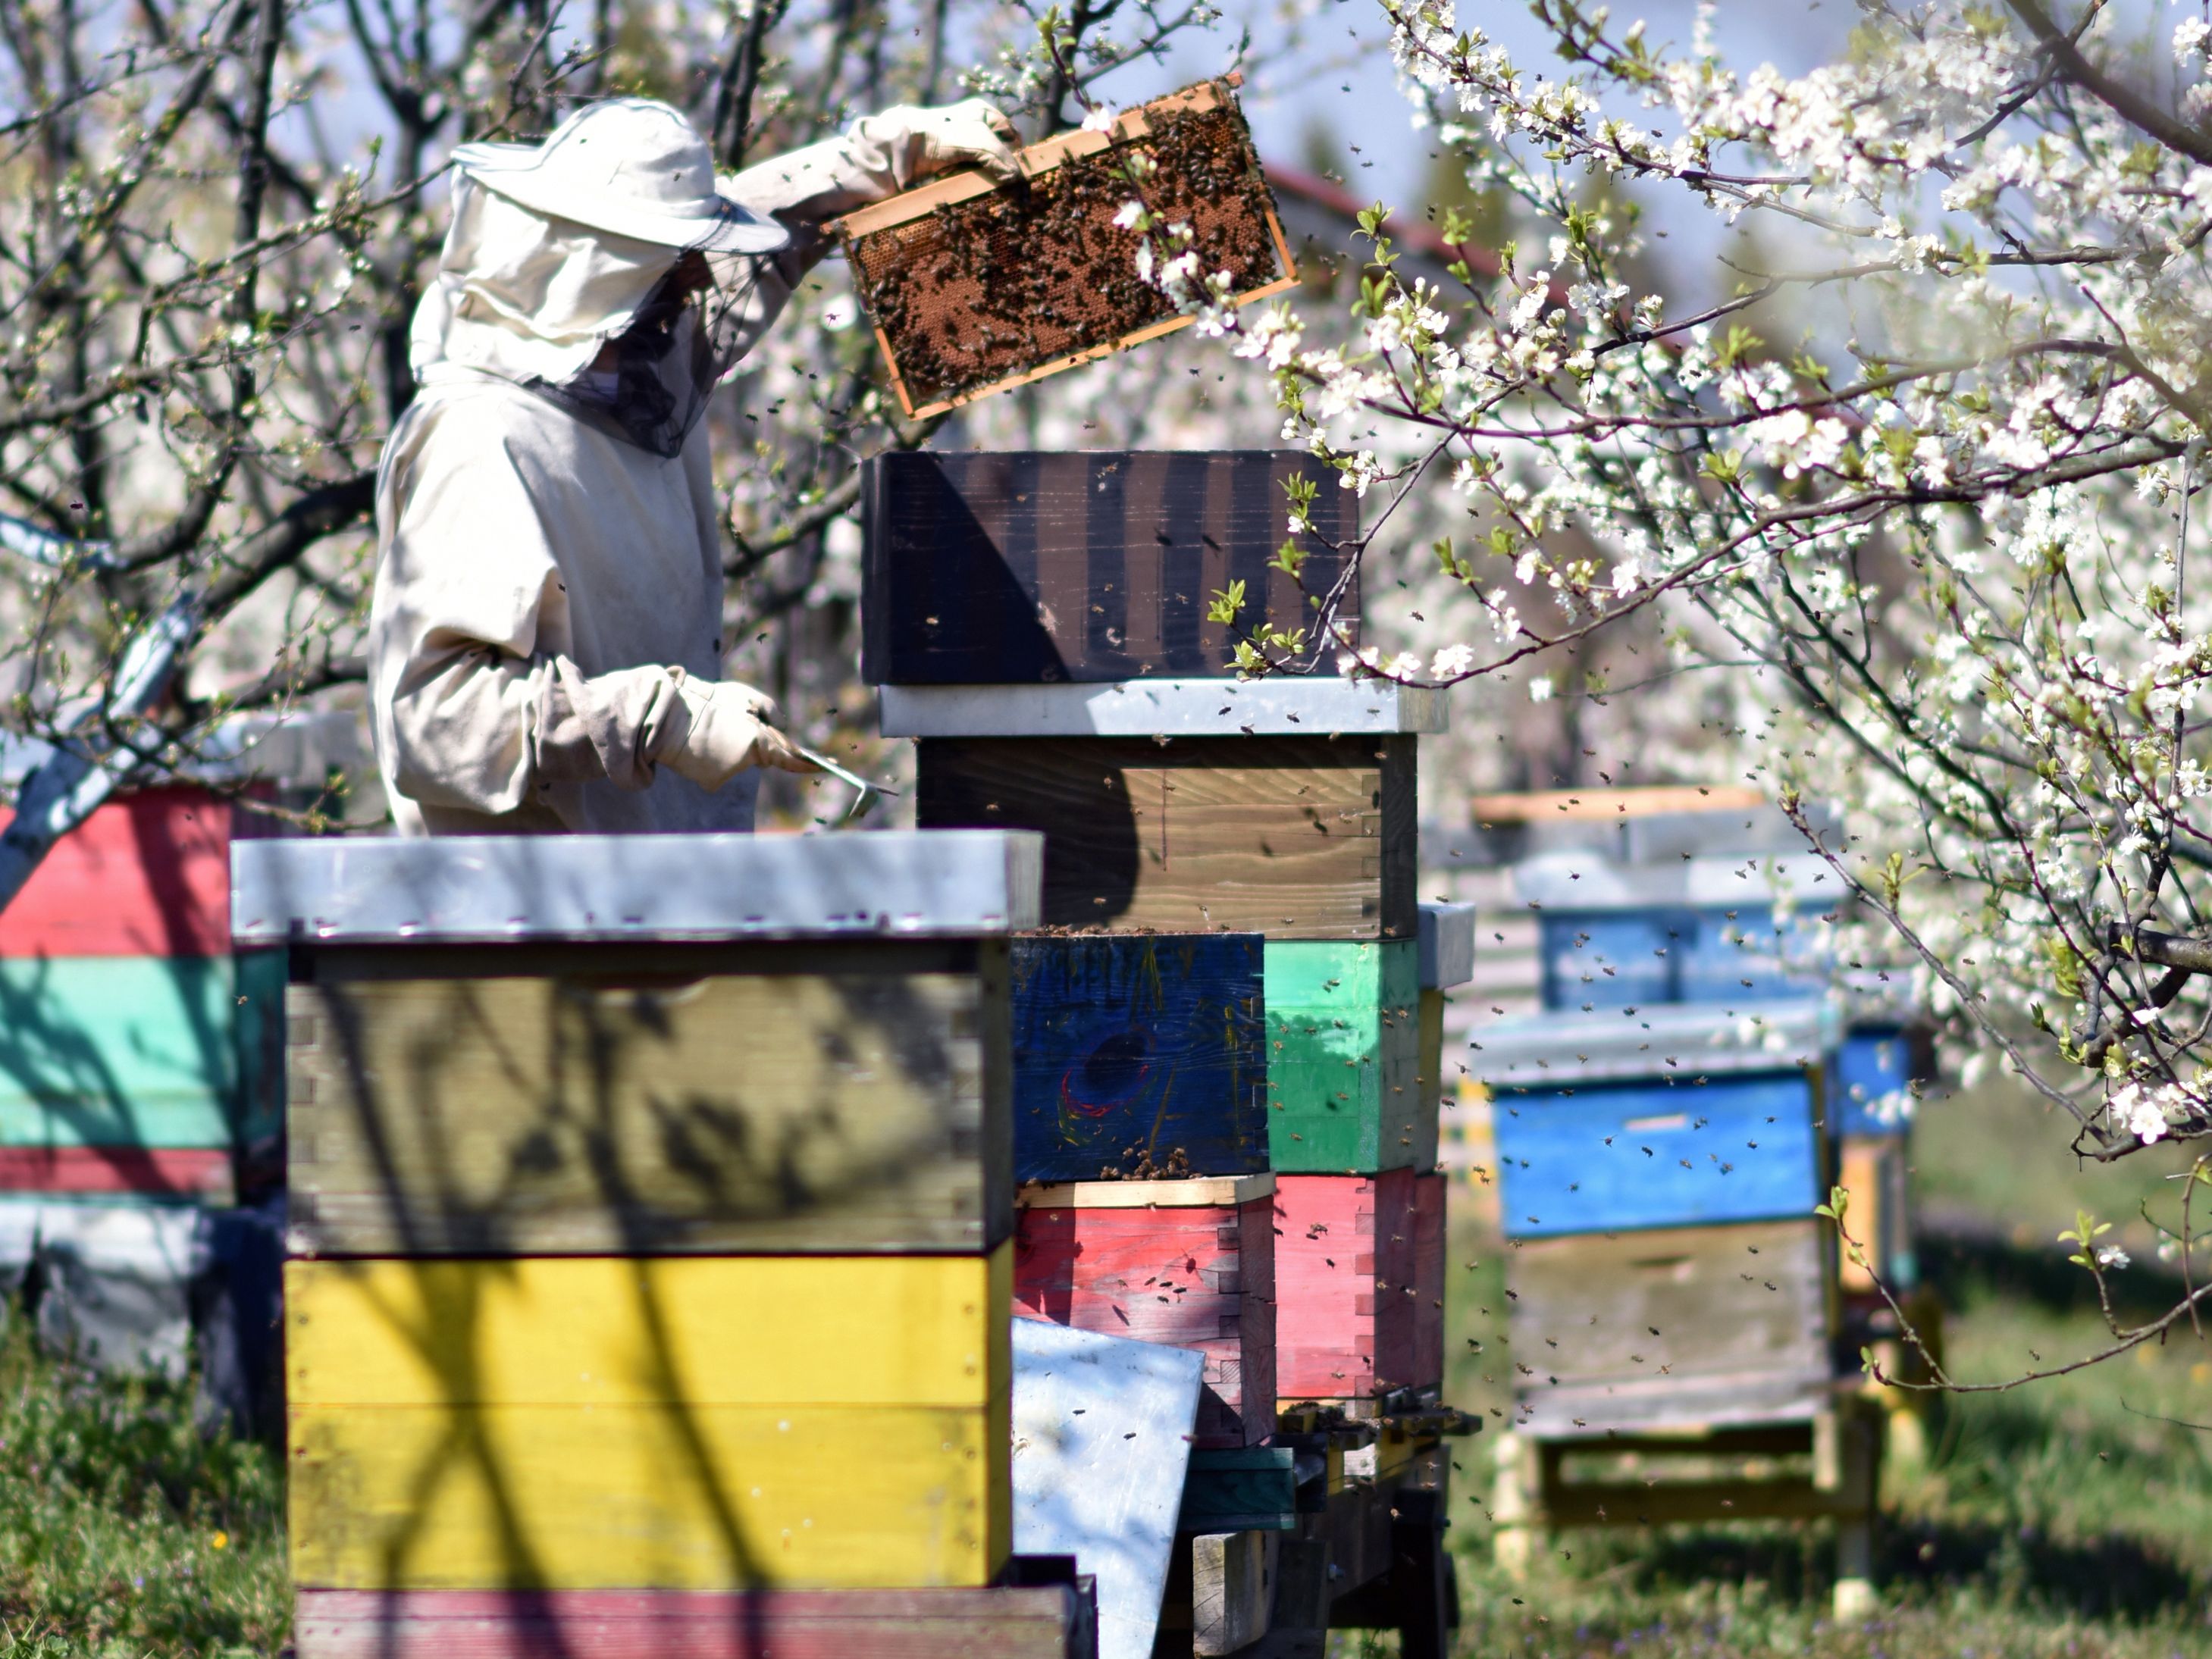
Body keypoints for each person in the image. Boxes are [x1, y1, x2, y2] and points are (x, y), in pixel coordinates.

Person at [367, 96, 1017, 835]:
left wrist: (888, 155)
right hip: (517, 925)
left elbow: (767, 242)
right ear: (602, 273)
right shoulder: (477, 441)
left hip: (648, 901)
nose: (702, 283)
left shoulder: (632, 376)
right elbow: (434, 723)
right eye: (677, 263)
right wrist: (662, 717)